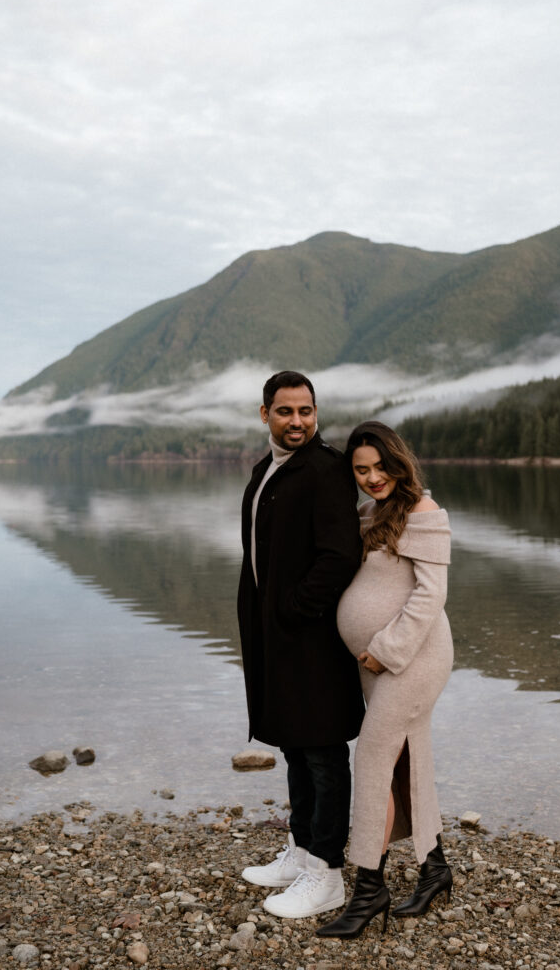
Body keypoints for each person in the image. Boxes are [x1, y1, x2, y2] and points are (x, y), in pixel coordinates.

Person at [316, 420, 454, 939]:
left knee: (372, 756)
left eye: (380, 467)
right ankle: (435, 868)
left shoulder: (425, 512)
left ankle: (369, 890)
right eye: (361, 470)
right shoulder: (369, 513)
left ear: (399, 462)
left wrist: (383, 650)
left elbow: (429, 596)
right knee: (403, 759)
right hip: (375, 663)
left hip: (413, 658)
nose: (373, 478)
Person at [237, 370, 365, 919]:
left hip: (312, 638)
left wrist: (293, 610)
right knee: (294, 742)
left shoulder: (327, 469)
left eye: (306, 411)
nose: (298, 421)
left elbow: (339, 556)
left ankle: (328, 874)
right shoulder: (267, 467)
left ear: (316, 413)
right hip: (277, 637)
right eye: (286, 411)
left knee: (323, 751)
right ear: (264, 413)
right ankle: (302, 850)